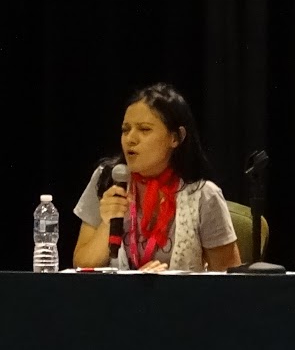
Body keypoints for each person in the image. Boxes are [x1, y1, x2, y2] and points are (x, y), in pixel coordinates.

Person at [71, 84, 242, 271]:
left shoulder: (203, 195)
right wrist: (108, 222)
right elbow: (82, 266)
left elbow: (229, 281)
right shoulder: (107, 179)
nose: (130, 139)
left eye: (144, 129)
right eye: (125, 129)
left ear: (176, 138)